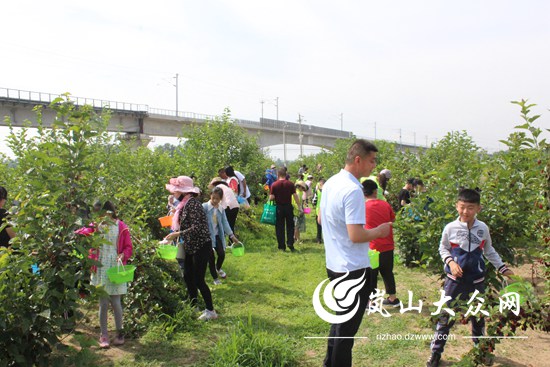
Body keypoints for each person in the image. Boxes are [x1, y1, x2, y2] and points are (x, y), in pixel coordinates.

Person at [319, 139, 392, 367]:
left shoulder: (331, 182)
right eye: (372, 161)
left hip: (335, 265)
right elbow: (356, 235)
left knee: (340, 322)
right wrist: (379, 231)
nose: (374, 166)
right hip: (353, 269)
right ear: (358, 160)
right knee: (346, 332)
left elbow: (320, 219)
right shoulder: (352, 190)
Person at [426, 188, 514, 367]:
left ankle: (479, 350)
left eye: (470, 208)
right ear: (456, 206)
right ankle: (435, 353)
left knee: (478, 317)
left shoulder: (482, 229)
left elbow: (489, 250)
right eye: (462, 207)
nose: (465, 211)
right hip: (454, 282)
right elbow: (443, 248)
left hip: (476, 281)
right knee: (446, 317)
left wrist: (502, 268)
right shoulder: (450, 228)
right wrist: (451, 263)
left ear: (478, 209)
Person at [164, 176, 218, 321]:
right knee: (187, 275)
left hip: (201, 246)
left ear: (183, 191)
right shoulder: (184, 204)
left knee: (199, 279)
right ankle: (193, 304)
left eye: (176, 191)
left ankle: (210, 310)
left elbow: (198, 227)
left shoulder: (193, 204)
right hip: (190, 245)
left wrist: (178, 234)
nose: (174, 193)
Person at [88, 201, 133, 349]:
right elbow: (90, 244)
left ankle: (120, 333)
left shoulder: (120, 226)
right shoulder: (96, 226)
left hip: (114, 266)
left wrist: (123, 255)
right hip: (101, 266)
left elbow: (128, 247)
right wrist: (92, 254)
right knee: (103, 302)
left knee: (116, 302)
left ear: (111, 212)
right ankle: (104, 334)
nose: (103, 216)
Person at [362, 179, 399, 306]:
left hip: (372, 247)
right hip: (388, 244)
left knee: (372, 275)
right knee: (388, 272)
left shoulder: (362, 207)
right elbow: (392, 219)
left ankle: (371, 302)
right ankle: (393, 298)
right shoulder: (385, 204)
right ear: (375, 191)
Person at [203, 186, 238, 285]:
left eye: (217, 199)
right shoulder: (204, 207)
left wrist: (232, 236)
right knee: (211, 257)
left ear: (220, 199)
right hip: (207, 237)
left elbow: (225, 223)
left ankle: (217, 268)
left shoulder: (221, 209)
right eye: (213, 197)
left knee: (222, 254)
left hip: (217, 235)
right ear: (210, 196)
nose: (214, 200)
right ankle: (215, 278)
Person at [269, 168, 302, 252]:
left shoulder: (274, 185)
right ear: (285, 174)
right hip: (288, 207)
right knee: (290, 226)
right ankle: (290, 243)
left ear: (278, 175)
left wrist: (273, 197)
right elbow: (295, 196)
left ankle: (281, 246)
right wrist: (299, 206)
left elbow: (271, 198)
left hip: (279, 208)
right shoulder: (290, 184)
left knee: (279, 227)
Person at [218, 168, 240, 232]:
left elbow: (234, 189)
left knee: (227, 224)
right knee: (231, 224)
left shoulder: (232, 179)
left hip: (229, 205)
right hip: (234, 204)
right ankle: (232, 240)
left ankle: (228, 239)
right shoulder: (227, 182)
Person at [293, 180, 307, 244]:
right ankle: (296, 239)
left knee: (297, 226)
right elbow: (296, 203)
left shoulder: (300, 192)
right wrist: (300, 210)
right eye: (302, 187)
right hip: (296, 211)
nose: (303, 189)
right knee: (296, 226)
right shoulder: (297, 193)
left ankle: (297, 238)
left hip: (298, 210)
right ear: (299, 187)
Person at [312, 178, 325, 244]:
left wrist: (314, 204)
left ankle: (319, 239)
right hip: (326, 211)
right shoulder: (328, 191)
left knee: (319, 226)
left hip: (318, 210)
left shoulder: (317, 191)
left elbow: (314, 201)